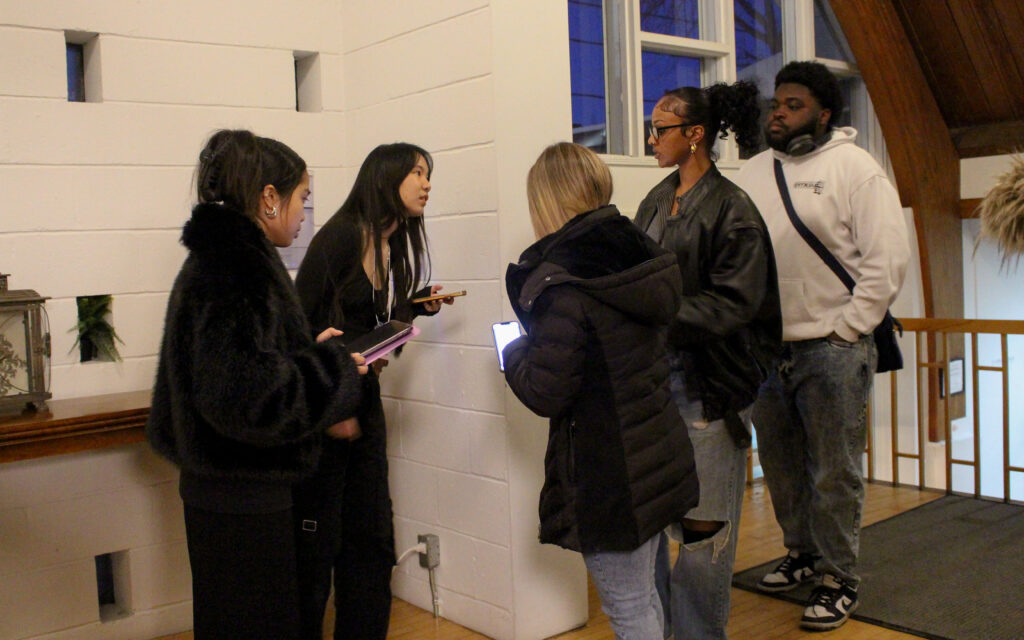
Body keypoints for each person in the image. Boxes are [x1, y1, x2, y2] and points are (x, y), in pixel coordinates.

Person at [146, 129, 367, 639]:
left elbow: (242, 362)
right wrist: (332, 371)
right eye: (302, 199)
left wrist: (308, 352)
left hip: (230, 488)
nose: (304, 214)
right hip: (241, 495)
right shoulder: (237, 266)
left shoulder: (232, 259)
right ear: (269, 197)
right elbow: (244, 396)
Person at [734, 61, 910, 631]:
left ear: (824, 113)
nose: (778, 114)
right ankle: (802, 554)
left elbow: (886, 262)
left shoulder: (856, 169)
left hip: (833, 350)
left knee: (834, 471)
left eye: (793, 105)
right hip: (767, 350)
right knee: (782, 467)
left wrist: (849, 328)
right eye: (776, 104)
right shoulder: (753, 171)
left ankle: (840, 578)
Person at [502, 142, 700, 640]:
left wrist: (511, 351)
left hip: (610, 474)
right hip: (654, 459)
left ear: (548, 201)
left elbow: (546, 392)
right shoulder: (639, 256)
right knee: (646, 598)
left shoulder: (566, 285)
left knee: (631, 608)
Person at [635, 83, 782, 640]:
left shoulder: (733, 210)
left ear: (695, 135)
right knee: (653, 524)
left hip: (708, 386)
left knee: (702, 532)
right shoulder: (655, 199)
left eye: (660, 129)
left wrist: (654, 311)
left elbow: (734, 305)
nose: (652, 140)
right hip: (654, 383)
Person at [293, 142, 454, 640]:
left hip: (363, 404)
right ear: (386, 178)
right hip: (323, 412)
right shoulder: (341, 237)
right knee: (319, 547)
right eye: (417, 173)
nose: (427, 184)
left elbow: (372, 334)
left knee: (371, 542)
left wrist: (413, 310)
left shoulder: (394, 244)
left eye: (429, 174)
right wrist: (332, 408)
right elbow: (301, 332)